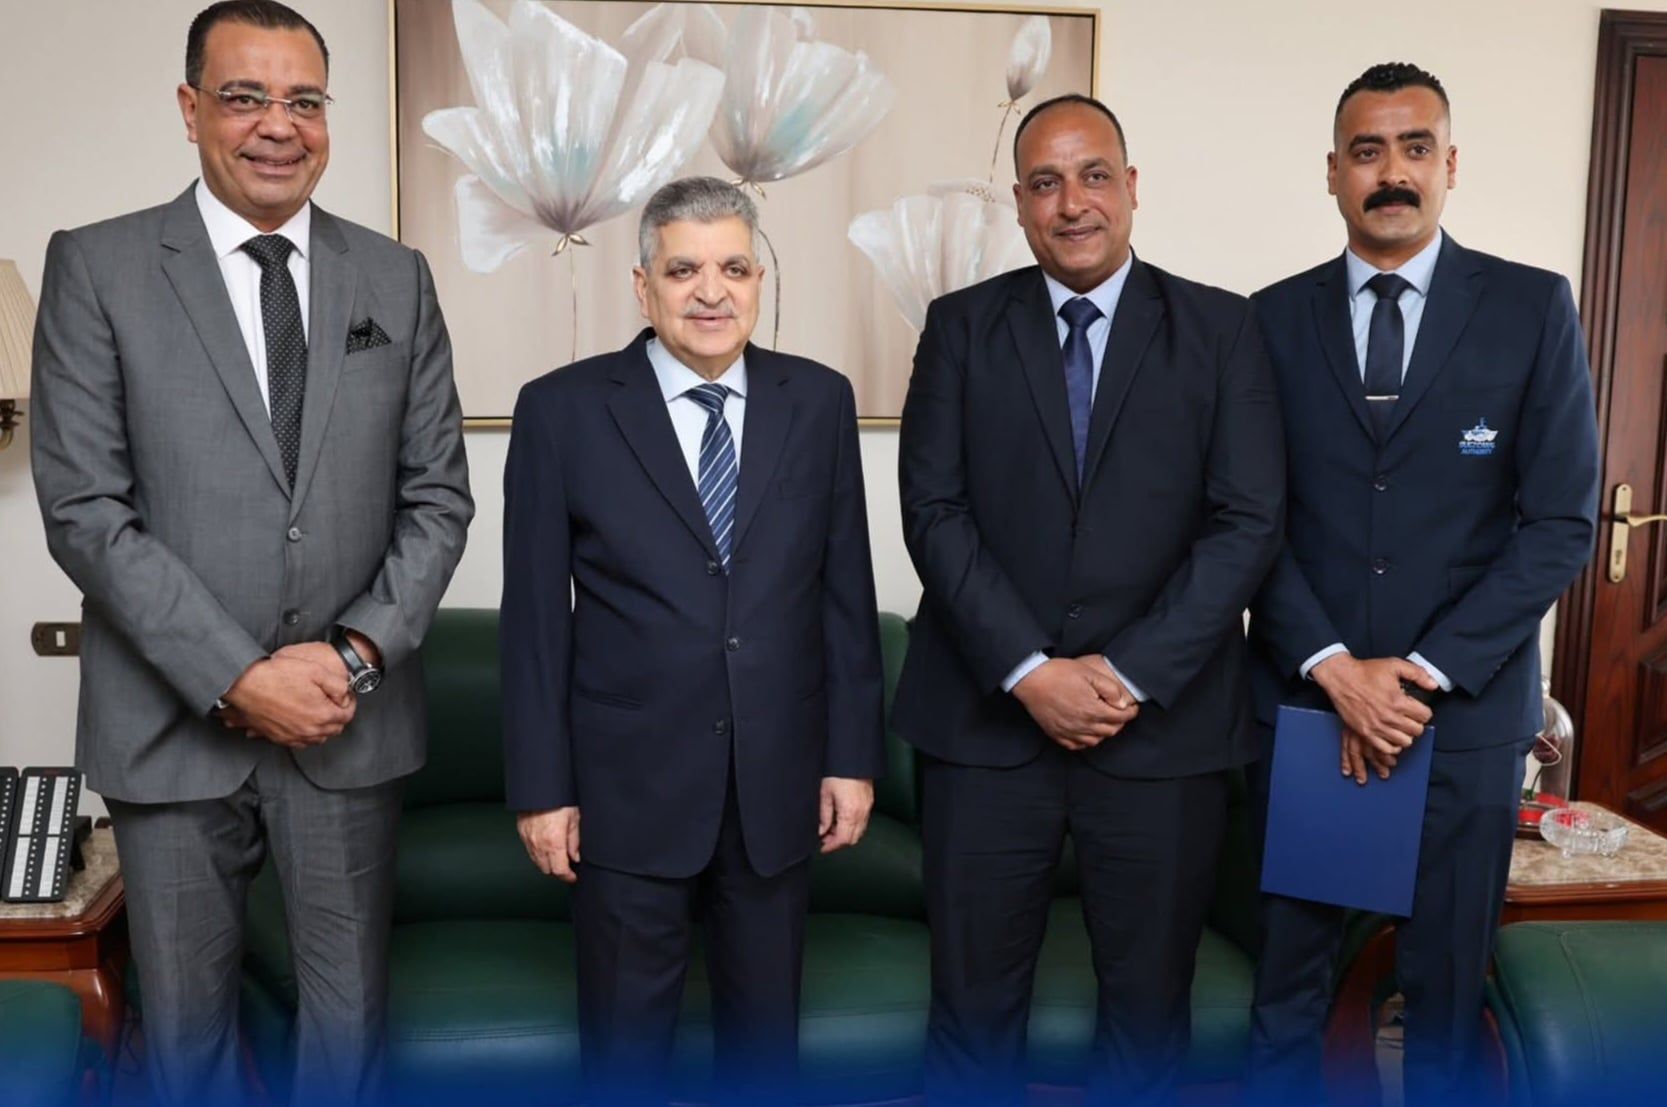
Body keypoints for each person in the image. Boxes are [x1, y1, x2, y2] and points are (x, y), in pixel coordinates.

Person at [29, 2, 473, 1102]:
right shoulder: (98, 266)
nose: (279, 125)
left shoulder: (395, 277)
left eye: (304, 100)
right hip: (169, 726)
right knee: (185, 1042)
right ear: (190, 110)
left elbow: (437, 499)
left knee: (347, 1034)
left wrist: (352, 660)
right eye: (244, 97)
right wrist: (236, 675)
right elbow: (85, 508)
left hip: (345, 724)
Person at [891, 93, 1286, 1105]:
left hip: (1164, 734)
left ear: (1131, 187)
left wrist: (1125, 673)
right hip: (985, 727)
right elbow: (932, 511)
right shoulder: (959, 328)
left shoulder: (1221, 329)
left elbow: (1246, 522)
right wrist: (1029, 671)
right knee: (971, 1016)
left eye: (1093, 175)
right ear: (1019, 204)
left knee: (1148, 1019)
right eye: (1045, 183)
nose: (1072, 203)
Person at [1246, 62, 1599, 1104]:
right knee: (1290, 1001)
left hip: (1463, 717)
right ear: (1332, 172)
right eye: (1366, 152)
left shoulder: (1531, 307)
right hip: (1316, 711)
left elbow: (1558, 522)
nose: (1389, 173)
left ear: (1449, 164)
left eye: (1412, 149)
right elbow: (1247, 521)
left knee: (1441, 1003)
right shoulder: (1265, 321)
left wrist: (1417, 673)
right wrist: (1334, 668)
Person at [500, 175, 885, 1106]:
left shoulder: (818, 400)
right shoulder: (562, 409)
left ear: (758, 282)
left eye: (733, 269)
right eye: (683, 271)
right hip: (625, 791)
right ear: (643, 286)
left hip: (776, 784)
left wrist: (850, 757)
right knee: (625, 1056)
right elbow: (535, 620)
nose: (711, 292)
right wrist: (543, 788)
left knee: (763, 1054)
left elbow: (846, 593)